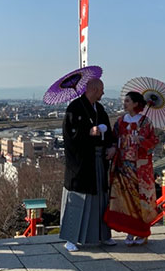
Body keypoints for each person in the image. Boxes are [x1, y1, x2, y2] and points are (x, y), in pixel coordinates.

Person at [60, 78, 116, 252]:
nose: (103, 93)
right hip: (81, 164)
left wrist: (111, 146)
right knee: (78, 199)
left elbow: (109, 132)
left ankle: (103, 235)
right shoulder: (74, 108)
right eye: (101, 90)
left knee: (101, 199)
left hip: (98, 161)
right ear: (93, 89)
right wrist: (88, 131)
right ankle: (71, 238)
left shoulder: (99, 109)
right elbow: (71, 135)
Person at [104, 91, 159, 245]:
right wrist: (114, 147)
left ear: (136, 103)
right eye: (125, 100)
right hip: (122, 165)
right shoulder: (120, 121)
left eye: (128, 101)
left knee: (139, 200)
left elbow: (153, 141)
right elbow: (114, 139)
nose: (125, 103)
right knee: (125, 200)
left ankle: (141, 232)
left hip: (139, 167)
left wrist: (142, 140)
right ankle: (130, 230)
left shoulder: (146, 121)